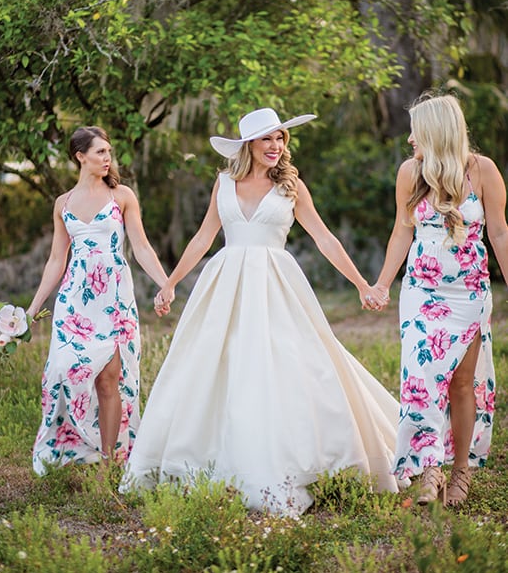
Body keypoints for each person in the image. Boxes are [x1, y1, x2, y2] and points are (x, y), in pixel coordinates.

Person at [120, 107, 401, 516]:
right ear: (249, 144)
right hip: (226, 284)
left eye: (281, 139)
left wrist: (362, 283)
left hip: (275, 283)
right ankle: (215, 457)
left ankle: (297, 457)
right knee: (215, 366)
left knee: (290, 363)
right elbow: (203, 239)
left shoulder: (291, 186)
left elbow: (323, 238)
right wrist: (170, 282)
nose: (276, 146)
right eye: (268, 139)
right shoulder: (224, 183)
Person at [372, 93, 507, 507]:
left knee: (462, 385)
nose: (410, 139)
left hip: (469, 293)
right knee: (420, 379)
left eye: (416, 130)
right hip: (421, 292)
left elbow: (499, 232)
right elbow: (402, 231)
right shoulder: (410, 173)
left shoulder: (482, 171)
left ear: (434, 130)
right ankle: (430, 470)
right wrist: (381, 284)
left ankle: (461, 470)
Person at [27, 126, 171, 474]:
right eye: (100, 153)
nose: (108, 159)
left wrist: (165, 284)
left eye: (109, 152)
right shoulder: (63, 204)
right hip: (74, 300)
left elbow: (140, 246)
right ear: (80, 156)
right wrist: (33, 308)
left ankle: (109, 465)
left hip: (114, 298)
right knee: (64, 369)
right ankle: (72, 443)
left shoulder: (121, 196)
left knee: (109, 378)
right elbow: (56, 260)